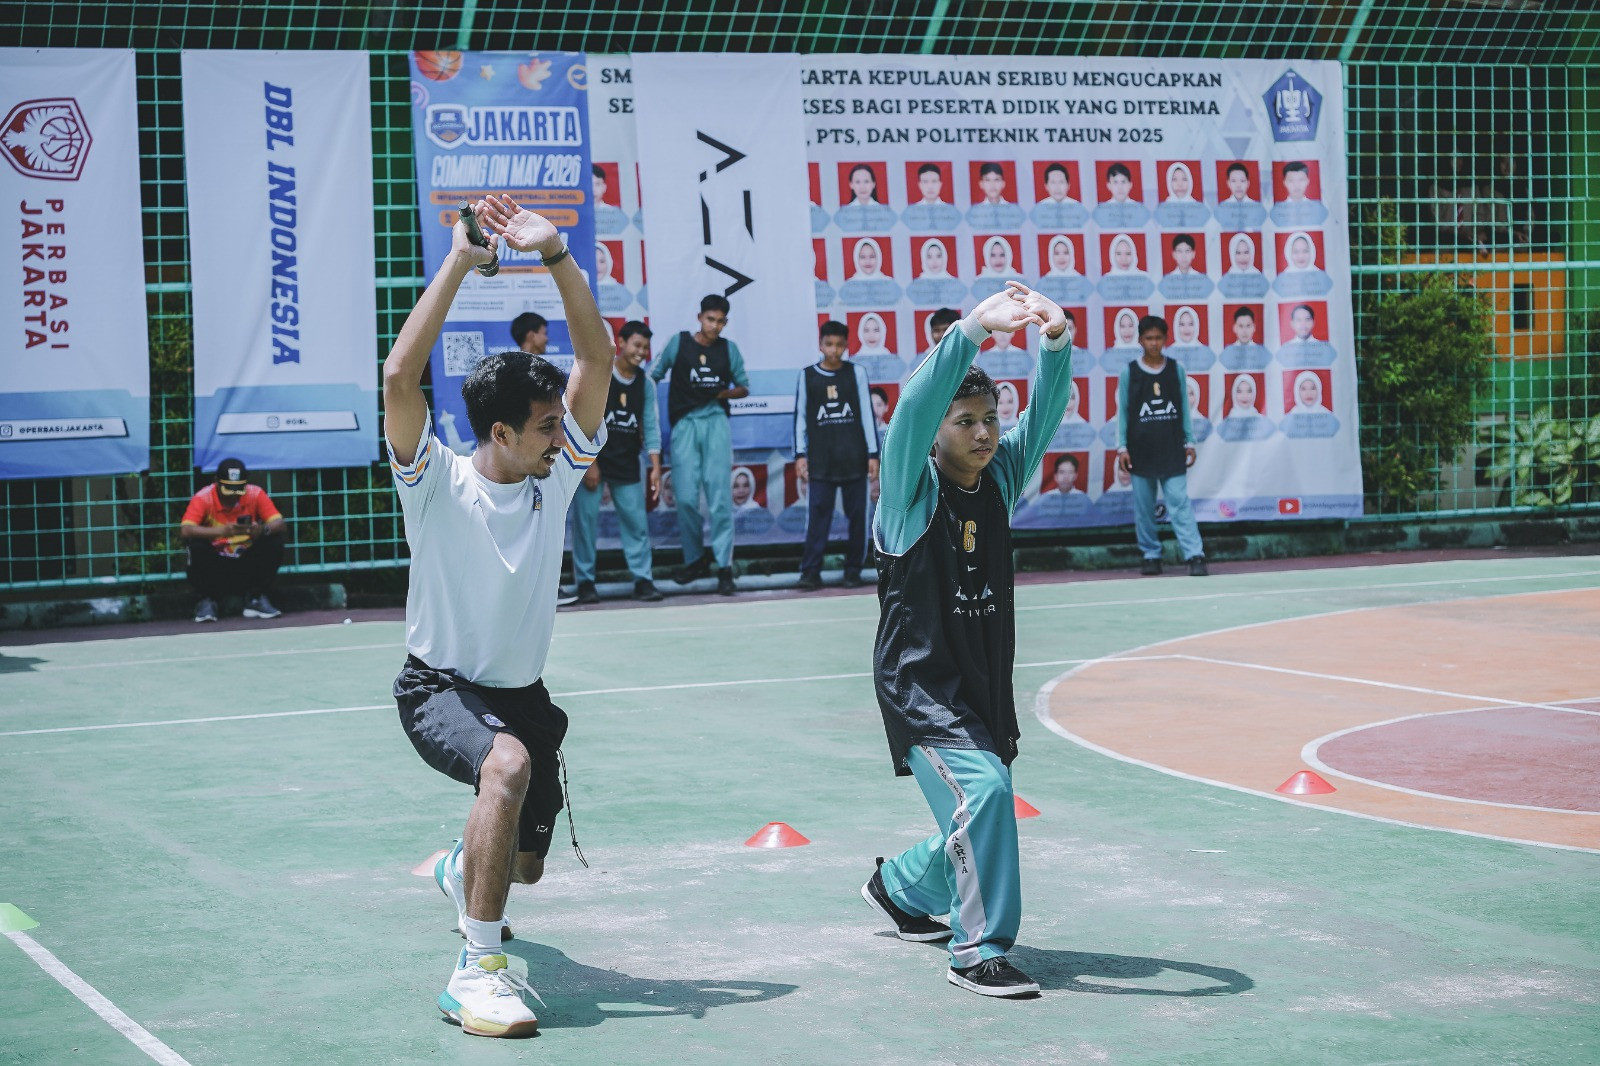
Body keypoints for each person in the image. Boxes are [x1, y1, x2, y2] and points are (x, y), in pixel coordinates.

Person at [384, 194, 611, 1038]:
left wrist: (556, 255)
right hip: (437, 686)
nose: (565, 435)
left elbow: (595, 359)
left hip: (520, 692)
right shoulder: (436, 481)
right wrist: (460, 263)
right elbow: (399, 377)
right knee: (504, 767)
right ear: (502, 432)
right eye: (548, 426)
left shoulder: (552, 479)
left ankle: (461, 867)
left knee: (525, 867)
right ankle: (475, 972)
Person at [862, 281, 1074, 999]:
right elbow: (909, 414)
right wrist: (973, 331)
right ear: (938, 430)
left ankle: (900, 887)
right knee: (984, 792)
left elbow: (1044, 413)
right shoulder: (908, 492)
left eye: (990, 419)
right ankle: (977, 948)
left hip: (979, 680)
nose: (984, 433)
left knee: (983, 800)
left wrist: (1055, 341)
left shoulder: (999, 480)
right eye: (965, 420)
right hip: (921, 685)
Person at [650, 294, 749, 596]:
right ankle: (694, 560)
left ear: (725, 323)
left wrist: (720, 395)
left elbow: (744, 387)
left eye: (720, 321)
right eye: (710, 319)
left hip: (716, 422)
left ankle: (724, 566)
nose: (715, 326)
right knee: (686, 498)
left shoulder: (729, 349)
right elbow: (652, 376)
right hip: (685, 426)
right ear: (699, 317)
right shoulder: (678, 343)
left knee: (720, 499)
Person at [569, 320, 663, 605]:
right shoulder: (601, 375)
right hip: (593, 460)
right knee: (585, 524)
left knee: (636, 524)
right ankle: (585, 582)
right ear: (621, 343)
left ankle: (643, 579)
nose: (641, 351)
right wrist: (590, 462)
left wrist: (656, 465)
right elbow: (580, 418)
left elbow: (651, 424)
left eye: (645, 347)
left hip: (626, 460)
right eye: (637, 345)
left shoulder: (645, 384)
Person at [1116, 315, 1207, 578]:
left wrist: (1189, 441)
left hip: (1171, 448)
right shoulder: (1129, 372)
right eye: (1148, 338)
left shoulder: (1175, 369)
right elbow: (1123, 411)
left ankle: (1195, 554)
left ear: (1166, 339)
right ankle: (1151, 555)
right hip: (1140, 450)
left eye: (1158, 338)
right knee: (1144, 508)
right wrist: (1122, 447)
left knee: (1179, 503)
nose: (1153, 343)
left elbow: (1184, 410)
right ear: (1140, 340)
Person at [794, 320, 879, 590]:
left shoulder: (857, 373)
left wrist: (872, 454)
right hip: (821, 460)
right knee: (818, 519)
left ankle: (853, 570)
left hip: (853, 458)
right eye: (829, 344)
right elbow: (801, 419)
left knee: (858, 519)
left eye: (839, 345)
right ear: (820, 345)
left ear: (846, 346)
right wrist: (799, 455)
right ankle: (810, 571)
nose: (834, 350)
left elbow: (867, 414)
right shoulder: (807, 375)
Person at [180, 458, 287, 623]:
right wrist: (221, 531)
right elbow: (186, 530)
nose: (233, 496)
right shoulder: (203, 498)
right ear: (216, 482)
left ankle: (255, 598)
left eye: (238, 490)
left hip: (247, 562)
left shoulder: (255, 493)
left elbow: (279, 523)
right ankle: (208, 600)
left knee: (274, 541)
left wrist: (261, 530)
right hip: (216, 565)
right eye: (228, 490)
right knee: (195, 546)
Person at [967, 162, 1024, 228]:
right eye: (987, 180)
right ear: (981, 184)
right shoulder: (975, 213)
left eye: (996, 180)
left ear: (1003, 183)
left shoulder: (1013, 211)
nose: (992, 185)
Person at [1159, 233, 1213, 299]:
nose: (1183, 256)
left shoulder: (1202, 280)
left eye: (1187, 251)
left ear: (1193, 254)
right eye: (1179, 251)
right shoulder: (1167, 281)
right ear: (1174, 254)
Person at [1094, 161, 1149, 227]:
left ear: (1130, 184)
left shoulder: (1140, 210)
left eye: (1123, 182)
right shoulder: (1101, 211)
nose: (1120, 187)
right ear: (1108, 185)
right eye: (1115, 182)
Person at [1221, 305, 1270, 370]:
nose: (1244, 331)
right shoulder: (1227, 352)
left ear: (1254, 327)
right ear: (1235, 328)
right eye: (1241, 326)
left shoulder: (1262, 352)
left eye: (1248, 326)